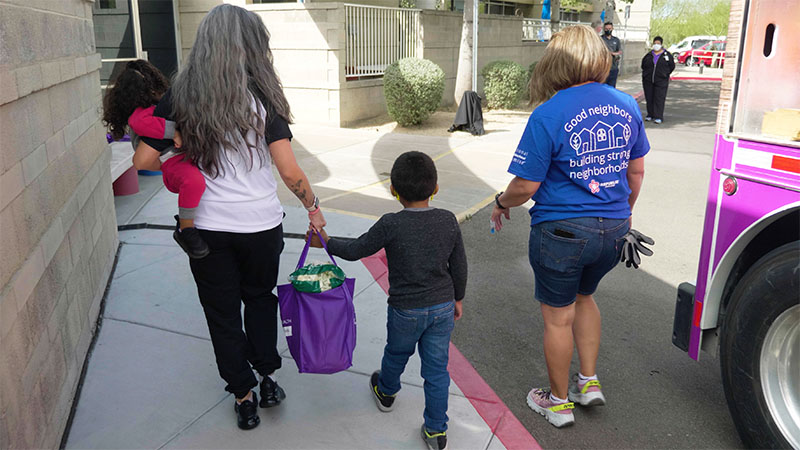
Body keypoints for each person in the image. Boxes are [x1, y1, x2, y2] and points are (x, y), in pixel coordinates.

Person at [131, 4, 327, 430]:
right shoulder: (265, 96)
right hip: (261, 226)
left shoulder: (181, 95)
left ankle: (243, 396)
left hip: (206, 230)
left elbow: (144, 160)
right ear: (253, 46)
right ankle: (268, 378)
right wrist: (313, 207)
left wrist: (177, 133)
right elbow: (289, 170)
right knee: (259, 300)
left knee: (221, 312)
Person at [490, 25, 649, 428]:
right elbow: (637, 171)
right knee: (585, 298)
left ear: (556, 62)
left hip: (561, 232)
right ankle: (588, 382)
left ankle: (558, 403)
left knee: (558, 316)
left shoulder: (549, 112)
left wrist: (499, 203)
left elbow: (526, 186)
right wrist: (623, 214)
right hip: (613, 231)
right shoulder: (626, 105)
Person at [309, 151, 467, 450]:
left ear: (393, 190)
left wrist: (327, 242)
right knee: (436, 370)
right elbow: (459, 265)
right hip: (442, 307)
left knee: (396, 353)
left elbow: (357, 249)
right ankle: (436, 430)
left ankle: (387, 390)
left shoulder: (390, 224)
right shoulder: (447, 220)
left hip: (405, 310)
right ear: (435, 188)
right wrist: (458, 298)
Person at [102, 60, 210, 259]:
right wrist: (174, 132)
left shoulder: (161, 106)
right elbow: (140, 123)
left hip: (177, 157)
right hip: (171, 159)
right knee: (194, 182)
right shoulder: (142, 112)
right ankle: (186, 230)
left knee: (198, 183)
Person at [641, 36, 675, 124]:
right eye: (655, 43)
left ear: (661, 44)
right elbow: (643, 65)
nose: (656, 45)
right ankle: (650, 114)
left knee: (659, 98)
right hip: (648, 80)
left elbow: (671, 66)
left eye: (658, 44)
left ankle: (658, 116)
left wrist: (665, 74)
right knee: (649, 97)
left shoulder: (667, 55)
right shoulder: (649, 55)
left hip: (661, 80)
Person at [601, 22, 622, 87]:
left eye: (609, 28)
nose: (608, 30)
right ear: (604, 29)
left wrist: (613, 53)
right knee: (602, 87)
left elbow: (620, 52)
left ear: (612, 29)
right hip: (602, 68)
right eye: (606, 29)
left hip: (613, 68)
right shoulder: (600, 39)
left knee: (612, 87)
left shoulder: (616, 40)